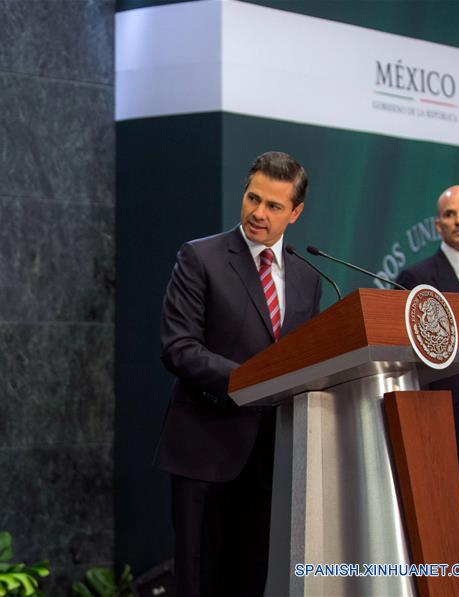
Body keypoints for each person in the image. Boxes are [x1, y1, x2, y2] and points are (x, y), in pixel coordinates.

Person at [156, 151, 322, 596]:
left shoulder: (308, 277)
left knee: (249, 582)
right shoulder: (200, 257)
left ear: (295, 213)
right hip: (205, 450)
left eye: (274, 205)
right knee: (197, 583)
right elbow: (178, 347)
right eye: (253, 198)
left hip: (272, 457)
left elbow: (307, 358)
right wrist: (252, 382)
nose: (258, 213)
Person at [396, 185, 459, 596]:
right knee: (441, 533)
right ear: (438, 224)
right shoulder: (417, 279)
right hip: (444, 424)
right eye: (451, 214)